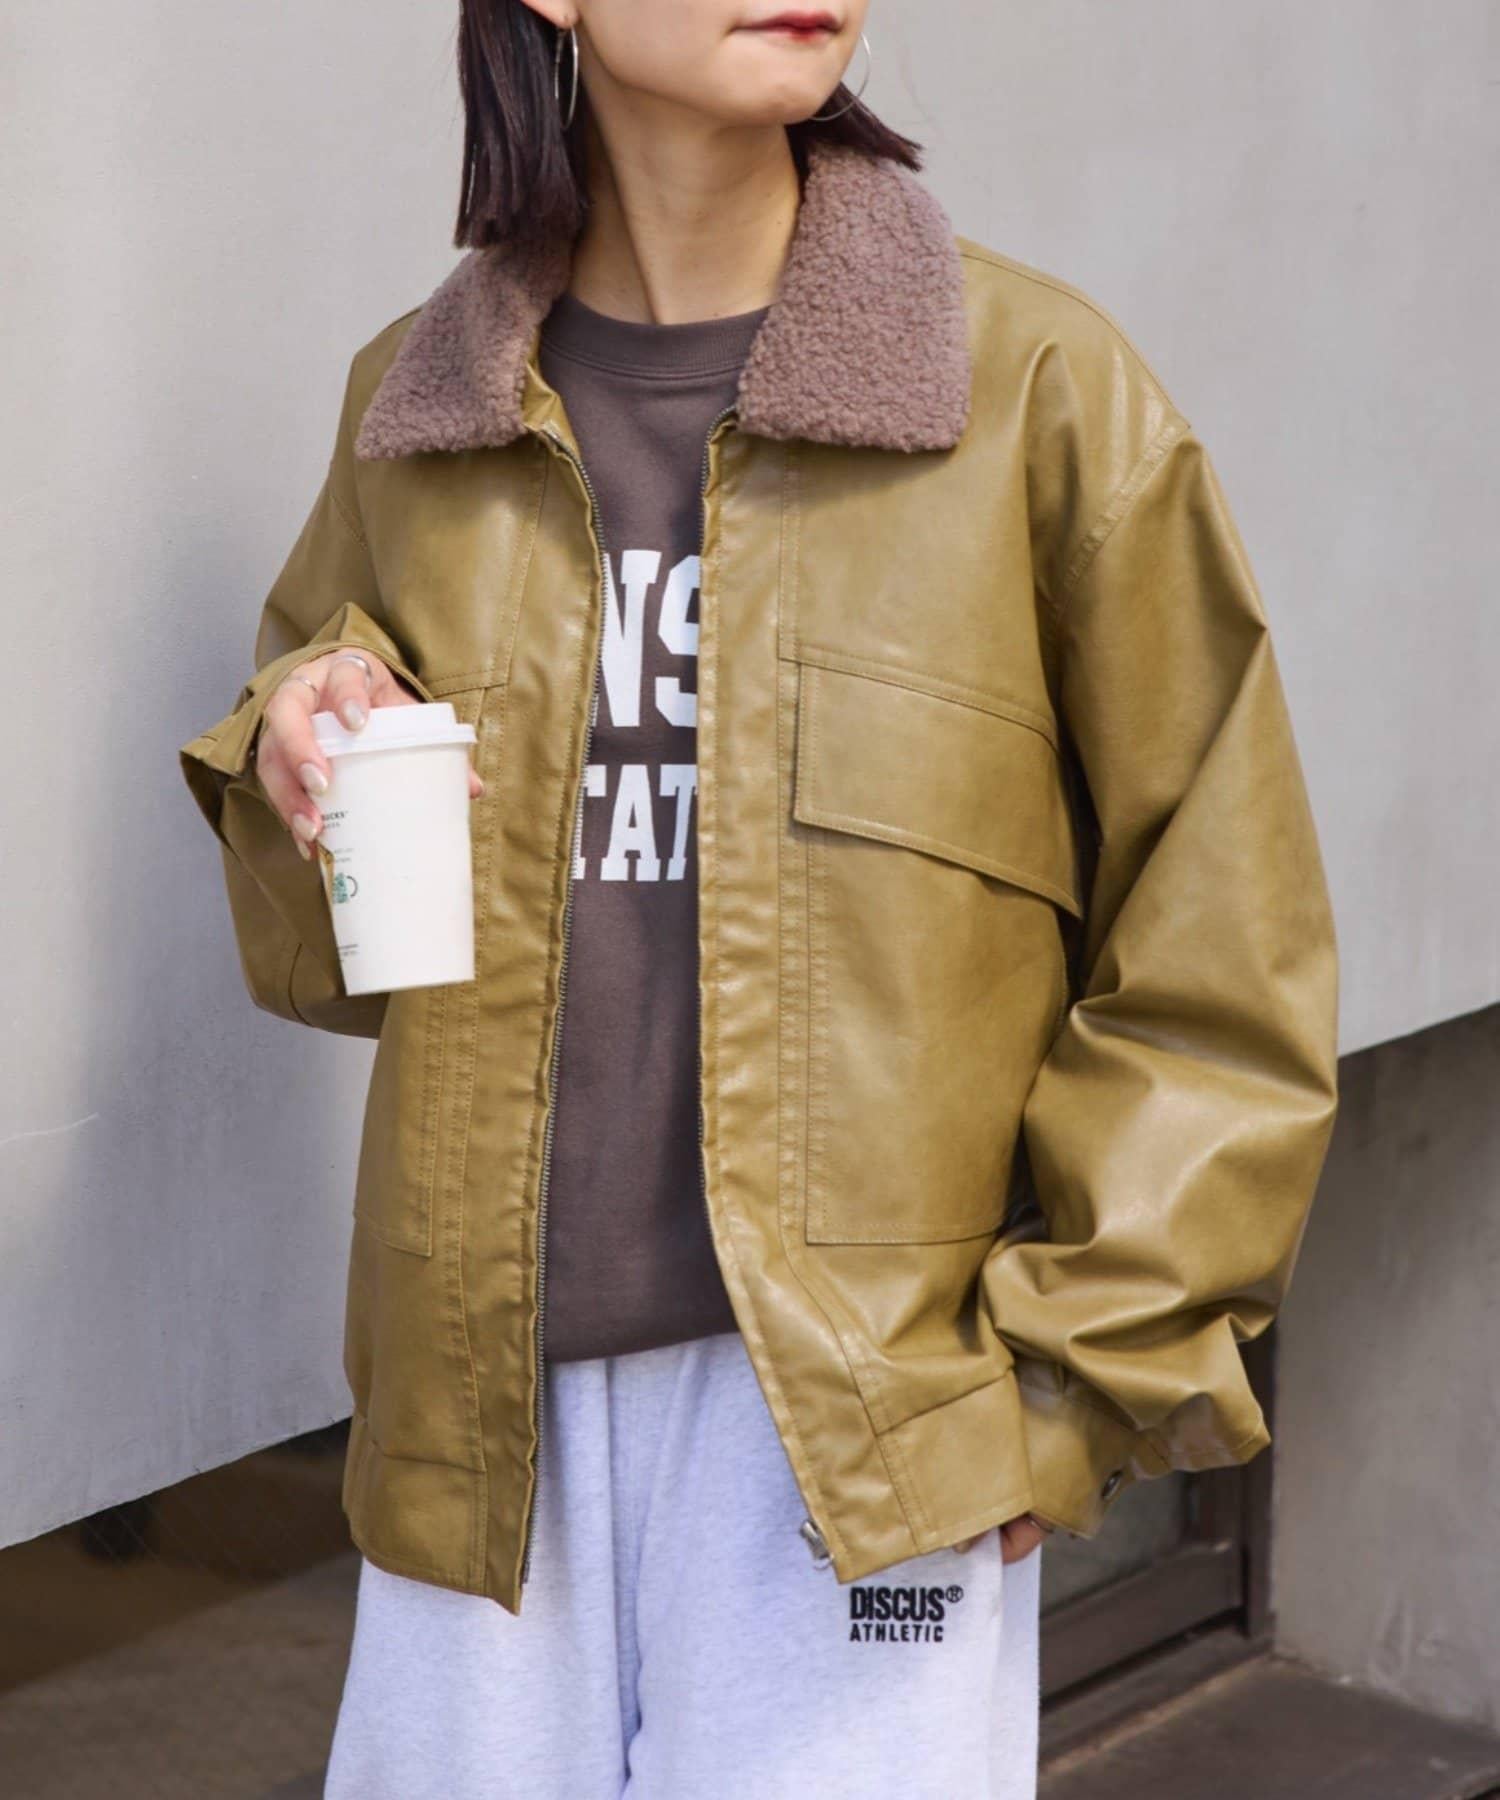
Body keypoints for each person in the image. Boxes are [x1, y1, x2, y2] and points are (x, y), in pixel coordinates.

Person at [177, 2, 1341, 1794]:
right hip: (481, 1430)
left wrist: (1062, 1389)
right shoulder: (422, 409)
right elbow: (337, 962)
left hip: (862, 1435)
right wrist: (299, 736)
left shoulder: (1034, 394)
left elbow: (1224, 950)